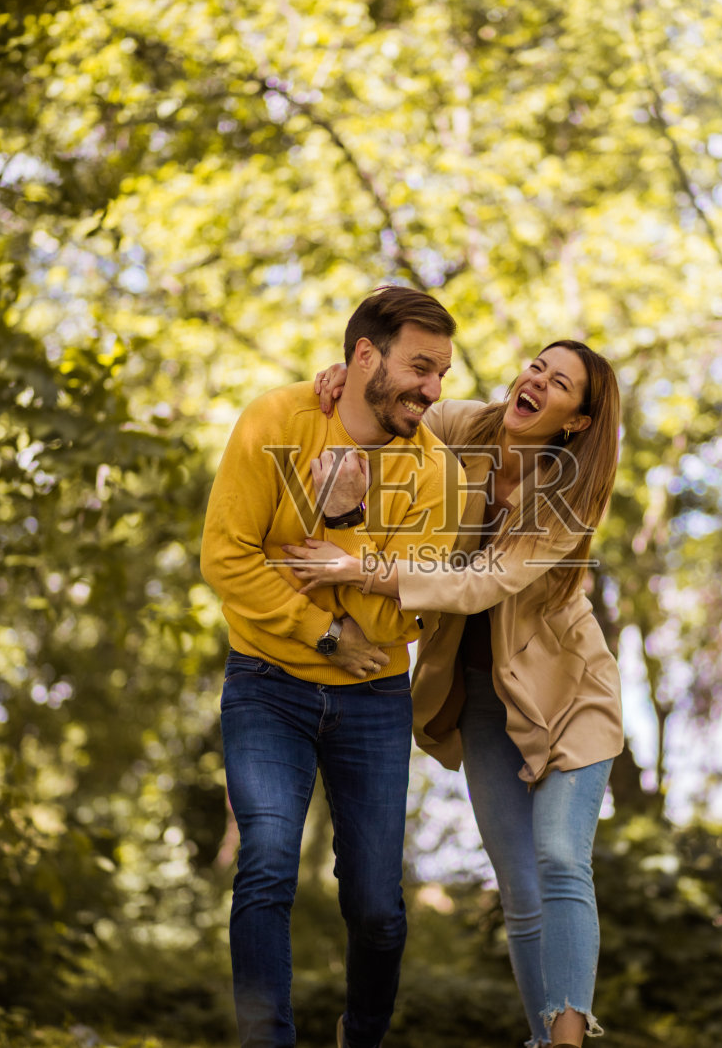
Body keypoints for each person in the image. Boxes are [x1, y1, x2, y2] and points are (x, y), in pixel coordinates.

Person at [285, 340, 624, 1048]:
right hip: (479, 697)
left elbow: (480, 582)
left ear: (578, 421)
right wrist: (351, 383)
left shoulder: (566, 494)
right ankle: (542, 1039)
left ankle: (566, 1043)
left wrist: (366, 569)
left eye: (558, 382)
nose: (534, 379)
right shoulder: (469, 427)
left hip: (568, 696)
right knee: (520, 892)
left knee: (560, 856)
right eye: (537, 364)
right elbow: (395, 417)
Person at [199, 286, 467, 1048]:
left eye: (442, 372)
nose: (433, 389)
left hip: (374, 700)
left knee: (378, 907)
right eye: (421, 366)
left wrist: (344, 533)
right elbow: (227, 558)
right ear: (362, 357)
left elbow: (407, 613)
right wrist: (324, 629)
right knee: (268, 864)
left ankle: (363, 1035)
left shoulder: (434, 471)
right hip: (267, 685)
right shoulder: (276, 422)